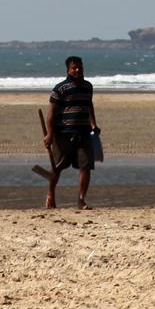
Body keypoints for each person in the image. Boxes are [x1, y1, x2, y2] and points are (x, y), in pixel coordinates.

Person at [38, 56, 99, 211]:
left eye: (80, 67)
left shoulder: (88, 87)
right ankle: (51, 194)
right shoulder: (60, 88)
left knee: (85, 166)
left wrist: (93, 124)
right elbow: (51, 114)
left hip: (84, 132)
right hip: (63, 133)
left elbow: (89, 105)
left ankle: (81, 199)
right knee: (57, 167)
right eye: (74, 67)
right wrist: (50, 135)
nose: (77, 70)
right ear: (68, 70)